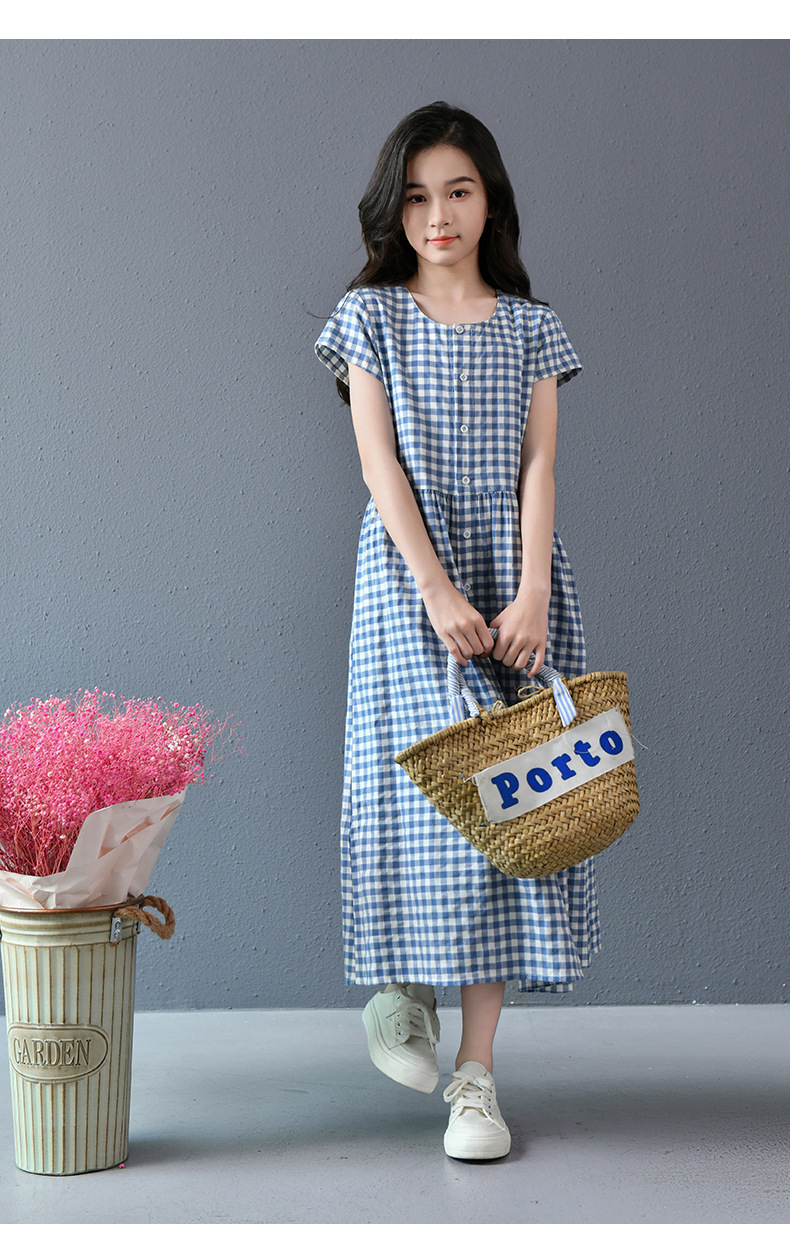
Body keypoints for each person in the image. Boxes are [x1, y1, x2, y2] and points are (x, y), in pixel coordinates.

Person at [315, 101, 597, 1161]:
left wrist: (531, 593)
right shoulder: (370, 319)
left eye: (459, 191)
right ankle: (400, 989)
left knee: (505, 813)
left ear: (490, 200)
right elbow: (377, 462)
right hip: (408, 584)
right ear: (394, 209)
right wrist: (434, 587)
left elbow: (539, 465)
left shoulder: (532, 329)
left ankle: (475, 1077)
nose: (438, 214)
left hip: (514, 580)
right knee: (414, 791)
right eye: (418, 195)